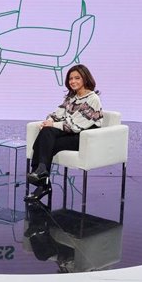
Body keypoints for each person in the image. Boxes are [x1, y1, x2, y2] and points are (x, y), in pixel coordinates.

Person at [25, 64, 103, 202]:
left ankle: (42, 182)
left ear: (85, 78)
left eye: (77, 78)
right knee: (46, 135)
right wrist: (49, 120)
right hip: (71, 133)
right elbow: (57, 114)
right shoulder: (71, 97)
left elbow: (76, 125)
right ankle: (41, 172)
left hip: (84, 138)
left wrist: (52, 124)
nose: (73, 81)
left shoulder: (92, 99)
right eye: (70, 78)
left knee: (45, 140)